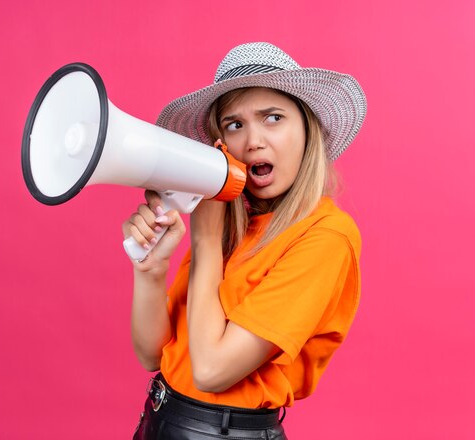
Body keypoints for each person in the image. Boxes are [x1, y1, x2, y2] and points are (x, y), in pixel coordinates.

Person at [123, 42, 367, 439]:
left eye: (272, 118)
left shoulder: (326, 235)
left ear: (308, 130)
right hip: (160, 420)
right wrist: (151, 270)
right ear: (222, 144)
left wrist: (203, 241)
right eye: (235, 125)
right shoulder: (231, 225)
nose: (252, 140)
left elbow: (211, 370)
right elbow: (152, 353)